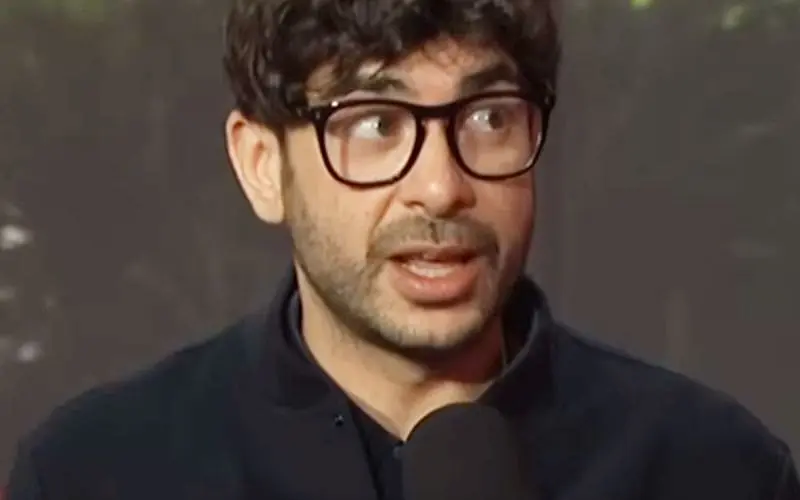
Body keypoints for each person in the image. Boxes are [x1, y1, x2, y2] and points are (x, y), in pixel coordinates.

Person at [6, 0, 799, 498]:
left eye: (489, 118)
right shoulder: (95, 472)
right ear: (262, 166)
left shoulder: (714, 469)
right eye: (376, 125)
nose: (442, 188)